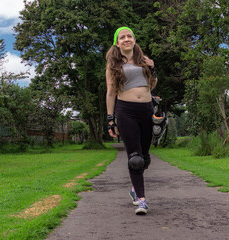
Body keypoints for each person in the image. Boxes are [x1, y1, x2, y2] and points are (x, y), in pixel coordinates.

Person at [105, 26, 157, 215]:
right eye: (122, 37)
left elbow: (152, 84)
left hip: (147, 109)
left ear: (134, 40)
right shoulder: (113, 64)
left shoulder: (144, 61)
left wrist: (153, 68)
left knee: (144, 158)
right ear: (117, 43)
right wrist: (110, 119)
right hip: (126, 110)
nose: (126, 39)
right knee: (134, 158)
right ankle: (142, 200)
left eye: (129, 36)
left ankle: (134, 188)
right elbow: (111, 92)